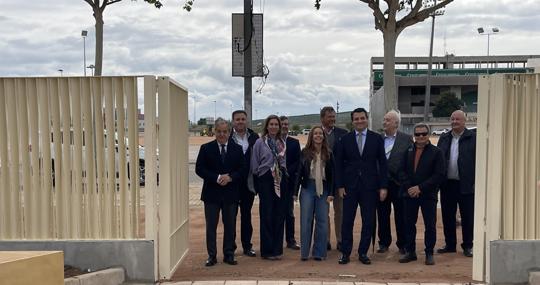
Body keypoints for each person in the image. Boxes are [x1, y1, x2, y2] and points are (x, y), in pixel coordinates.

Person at [334, 108, 388, 265]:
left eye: (362, 118)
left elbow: (383, 164)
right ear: (353, 121)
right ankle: (345, 252)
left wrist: (383, 186)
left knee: (368, 221)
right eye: (356, 119)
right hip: (349, 187)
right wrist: (340, 185)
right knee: (347, 221)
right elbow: (338, 165)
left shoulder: (377, 138)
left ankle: (363, 252)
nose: (359, 121)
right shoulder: (344, 139)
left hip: (370, 187)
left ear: (367, 119)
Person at [195, 118, 246, 266]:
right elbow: (199, 169)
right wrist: (216, 177)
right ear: (214, 132)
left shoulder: (236, 149)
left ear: (229, 132)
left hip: (231, 194)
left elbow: (243, 169)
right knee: (211, 227)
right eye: (219, 131)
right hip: (211, 195)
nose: (222, 134)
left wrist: (230, 177)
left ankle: (229, 254)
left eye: (225, 131)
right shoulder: (206, 148)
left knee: (230, 226)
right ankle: (212, 256)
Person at [398, 123, 446, 265]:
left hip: (428, 195)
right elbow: (401, 171)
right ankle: (410, 252)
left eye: (423, 134)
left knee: (430, 225)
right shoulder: (408, 151)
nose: (420, 137)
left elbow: (439, 174)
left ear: (428, 134)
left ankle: (429, 253)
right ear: (414, 136)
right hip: (410, 194)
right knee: (408, 224)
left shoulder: (436, 152)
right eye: (417, 134)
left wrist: (420, 188)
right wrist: (410, 188)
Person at [436, 110, 476, 258]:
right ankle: (450, 244)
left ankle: (468, 245)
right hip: (448, 184)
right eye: (452, 119)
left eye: (457, 119)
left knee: (467, 217)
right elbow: (439, 159)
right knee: (448, 216)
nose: (454, 122)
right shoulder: (444, 137)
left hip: (466, 184)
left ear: (465, 121)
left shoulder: (473, 138)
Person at [294, 126, 335, 261]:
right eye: (315, 133)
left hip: (323, 189)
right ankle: (305, 253)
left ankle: (319, 252)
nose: (318, 136)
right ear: (311, 136)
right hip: (307, 188)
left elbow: (333, 176)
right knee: (306, 220)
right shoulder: (305, 152)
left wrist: (332, 192)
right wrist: (295, 192)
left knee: (322, 220)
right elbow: (299, 172)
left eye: (320, 133)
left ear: (323, 136)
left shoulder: (329, 153)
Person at [251, 115, 287, 260]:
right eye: (271, 124)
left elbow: (284, 161)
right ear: (266, 126)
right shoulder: (260, 143)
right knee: (267, 214)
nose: (273, 127)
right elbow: (254, 164)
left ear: (279, 127)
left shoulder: (282, 143)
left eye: (276, 124)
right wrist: (259, 180)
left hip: (280, 178)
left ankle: (277, 250)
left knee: (279, 215)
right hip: (265, 179)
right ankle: (267, 251)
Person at [376, 110, 413, 254]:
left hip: (399, 184)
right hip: (382, 184)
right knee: (382, 214)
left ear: (396, 123)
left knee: (401, 215)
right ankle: (383, 243)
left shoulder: (406, 139)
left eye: (388, 120)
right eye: (384, 120)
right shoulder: (378, 139)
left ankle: (402, 243)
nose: (384, 122)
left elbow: (409, 162)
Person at [230, 110, 259, 257]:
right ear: (233, 121)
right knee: (231, 217)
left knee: (246, 216)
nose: (240, 121)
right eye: (237, 119)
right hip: (232, 184)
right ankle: (231, 248)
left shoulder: (254, 137)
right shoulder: (228, 138)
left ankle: (247, 246)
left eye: (242, 119)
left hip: (249, 184)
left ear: (246, 121)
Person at [320, 106, 348, 251]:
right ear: (322, 118)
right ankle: (325, 240)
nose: (332, 119)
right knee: (323, 211)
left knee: (340, 211)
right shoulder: (316, 134)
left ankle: (341, 239)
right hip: (322, 180)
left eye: (333, 116)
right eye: (329, 117)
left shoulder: (343, 134)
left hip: (339, 180)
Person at [280, 116, 301, 250]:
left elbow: (298, 162)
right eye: (282, 124)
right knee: (276, 212)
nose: (285, 126)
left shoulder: (294, 142)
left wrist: (287, 171)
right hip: (275, 182)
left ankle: (291, 240)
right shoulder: (271, 141)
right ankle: (276, 239)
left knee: (289, 213)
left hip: (289, 182)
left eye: (287, 124)